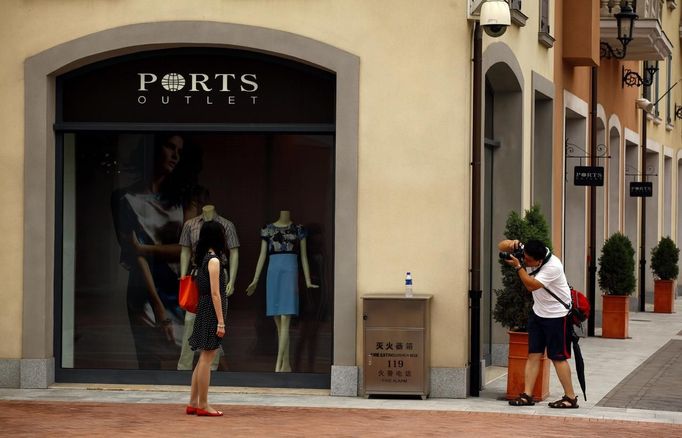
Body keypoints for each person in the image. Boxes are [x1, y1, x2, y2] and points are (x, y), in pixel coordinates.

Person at [111, 133, 200, 369]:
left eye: (179, 152)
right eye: (170, 147)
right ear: (152, 150)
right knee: (149, 363)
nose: (175, 156)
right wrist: (159, 308)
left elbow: (188, 249)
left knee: (205, 356)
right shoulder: (124, 198)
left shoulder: (186, 198)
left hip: (181, 288)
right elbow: (133, 255)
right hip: (145, 291)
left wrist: (144, 248)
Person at [499, 238, 579, 409]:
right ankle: (527, 395)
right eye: (524, 257)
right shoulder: (530, 252)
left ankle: (570, 397)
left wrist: (519, 267)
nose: (525, 260)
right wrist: (511, 244)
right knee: (533, 354)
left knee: (558, 357)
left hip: (557, 316)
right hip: (538, 313)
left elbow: (531, 285)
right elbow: (501, 246)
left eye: (528, 260)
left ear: (539, 261)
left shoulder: (553, 266)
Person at [246, 210, 318, 372]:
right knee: (279, 323)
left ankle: (278, 365)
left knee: (286, 318)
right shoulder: (268, 229)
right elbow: (262, 255)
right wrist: (255, 280)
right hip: (273, 272)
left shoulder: (299, 229)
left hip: (290, 271)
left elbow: (304, 257)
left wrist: (307, 281)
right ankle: (286, 365)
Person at [177, 203, 239, 371]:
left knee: (215, 320)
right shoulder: (190, 225)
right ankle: (184, 367)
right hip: (197, 272)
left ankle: (211, 367)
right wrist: (184, 277)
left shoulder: (226, 225)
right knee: (190, 320)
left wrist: (231, 280)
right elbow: (185, 250)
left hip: (219, 270)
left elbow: (234, 252)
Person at [186, 220, 227, 417]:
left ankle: (194, 402)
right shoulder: (214, 260)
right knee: (207, 358)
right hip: (210, 312)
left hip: (203, 310)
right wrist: (221, 320)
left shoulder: (204, 258)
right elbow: (215, 293)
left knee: (203, 357)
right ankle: (203, 404)